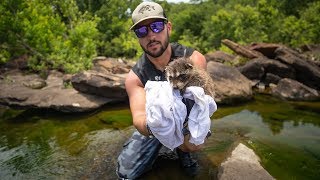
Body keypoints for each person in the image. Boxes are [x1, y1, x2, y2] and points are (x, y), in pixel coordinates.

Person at [116, 2, 208, 179]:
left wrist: (187, 134)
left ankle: (185, 152)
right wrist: (157, 127)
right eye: (142, 31)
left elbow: (201, 105)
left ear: (168, 27)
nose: (150, 35)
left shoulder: (194, 60)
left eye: (156, 26)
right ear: (138, 37)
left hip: (187, 121)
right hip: (156, 126)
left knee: (192, 147)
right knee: (125, 174)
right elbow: (140, 118)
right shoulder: (135, 78)